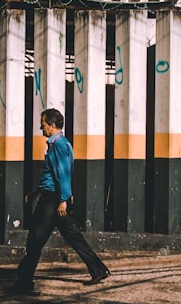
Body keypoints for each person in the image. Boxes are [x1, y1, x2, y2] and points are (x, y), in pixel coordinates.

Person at [7, 108, 110, 294]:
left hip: (52, 199)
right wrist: (36, 193)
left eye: (43, 124)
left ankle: (24, 282)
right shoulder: (59, 144)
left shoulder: (59, 145)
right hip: (52, 196)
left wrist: (62, 200)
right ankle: (98, 269)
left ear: (52, 125)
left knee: (35, 239)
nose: (41, 127)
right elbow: (52, 174)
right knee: (73, 236)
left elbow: (63, 174)